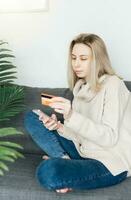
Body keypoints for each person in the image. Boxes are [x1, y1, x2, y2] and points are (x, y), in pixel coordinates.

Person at [24, 33, 131, 194]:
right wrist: (58, 126)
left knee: (48, 171)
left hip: (110, 162)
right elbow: (79, 137)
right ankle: (65, 160)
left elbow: (109, 137)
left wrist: (72, 115)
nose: (76, 64)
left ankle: (62, 165)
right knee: (32, 117)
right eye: (74, 58)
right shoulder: (80, 87)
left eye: (83, 58)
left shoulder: (113, 84)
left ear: (97, 60)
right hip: (83, 151)